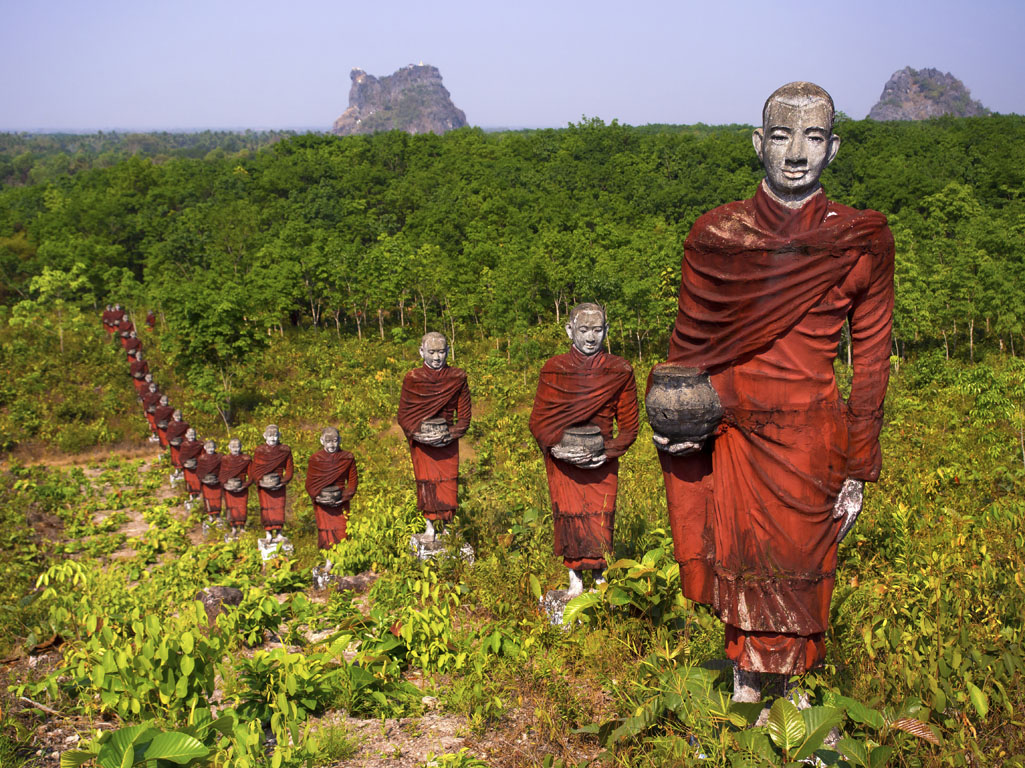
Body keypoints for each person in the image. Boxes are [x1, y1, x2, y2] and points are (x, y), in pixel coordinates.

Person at [650, 82, 894, 701]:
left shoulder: (861, 239)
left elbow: (870, 364)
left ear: (833, 148)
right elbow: (689, 350)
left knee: (800, 570)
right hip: (727, 430)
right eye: (781, 135)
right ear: (758, 142)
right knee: (736, 560)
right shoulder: (716, 236)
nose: (795, 152)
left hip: (811, 437)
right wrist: (673, 423)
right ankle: (744, 690)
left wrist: (859, 465)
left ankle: (795, 703)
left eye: (812, 136)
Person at [529, 303, 639, 596]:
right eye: (583, 330)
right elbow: (538, 422)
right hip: (565, 459)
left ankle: (602, 581)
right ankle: (574, 580)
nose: (591, 338)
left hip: (601, 459)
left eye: (598, 330)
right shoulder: (554, 369)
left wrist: (608, 452)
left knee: (601, 517)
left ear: (607, 330)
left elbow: (629, 427)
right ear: (569, 330)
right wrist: (556, 449)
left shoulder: (620, 370)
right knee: (568, 515)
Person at [397, 332, 472, 541]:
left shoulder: (457, 378)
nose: (437, 357)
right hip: (423, 443)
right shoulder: (413, 378)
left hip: (447, 441)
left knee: (448, 484)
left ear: (448, 351)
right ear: (421, 352)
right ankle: (429, 527)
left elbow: (464, 417)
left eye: (441, 352)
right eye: (432, 352)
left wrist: (451, 434)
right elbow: (403, 416)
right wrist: (418, 435)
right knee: (426, 483)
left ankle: (448, 527)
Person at [305, 427, 358, 550]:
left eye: (334, 441)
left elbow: (352, 481)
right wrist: (318, 498)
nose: (332, 445)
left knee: (342, 531)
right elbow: (310, 484)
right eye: (328, 441)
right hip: (322, 502)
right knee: (325, 532)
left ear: (340, 440)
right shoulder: (315, 459)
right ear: (321, 441)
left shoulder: (347, 457)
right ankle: (329, 562)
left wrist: (344, 497)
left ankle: (342, 560)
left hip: (340, 501)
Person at [249, 425, 295, 540]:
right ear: (265, 436)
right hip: (264, 484)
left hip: (278, 483)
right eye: (270, 436)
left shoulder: (285, 450)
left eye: (275, 436)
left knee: (279, 507)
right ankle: (268, 533)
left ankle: (279, 533)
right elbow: (255, 469)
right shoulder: (260, 450)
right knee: (266, 508)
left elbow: (289, 468)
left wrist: (284, 480)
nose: (273, 439)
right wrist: (260, 481)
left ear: (279, 436)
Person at [219, 438, 252, 535]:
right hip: (229, 488)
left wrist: (245, 485)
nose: (235, 449)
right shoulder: (225, 459)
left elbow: (251, 475)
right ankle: (233, 528)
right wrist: (225, 484)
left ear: (241, 447)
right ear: (229, 447)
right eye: (233, 447)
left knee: (242, 508)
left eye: (237, 447)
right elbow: (222, 474)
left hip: (241, 487)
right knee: (231, 507)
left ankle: (242, 528)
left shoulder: (246, 459)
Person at [196, 440, 223, 519]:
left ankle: (218, 516)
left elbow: (222, 469)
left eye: (212, 447)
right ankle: (210, 516)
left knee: (217, 498)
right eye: (209, 448)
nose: (211, 449)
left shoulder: (219, 457)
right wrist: (202, 479)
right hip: (206, 482)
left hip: (216, 481)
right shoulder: (202, 458)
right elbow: (199, 471)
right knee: (208, 498)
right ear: (205, 448)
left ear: (215, 447)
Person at [179, 428, 204, 508]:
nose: (191, 436)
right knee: (190, 482)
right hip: (188, 467)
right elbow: (182, 456)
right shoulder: (184, 445)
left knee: (197, 482)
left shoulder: (199, 444)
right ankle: (191, 497)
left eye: (193, 435)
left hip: (197, 466)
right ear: (186, 435)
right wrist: (184, 463)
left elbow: (202, 455)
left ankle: (198, 497)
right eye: (190, 435)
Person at [165, 410, 190, 477]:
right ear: (173, 416)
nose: (178, 417)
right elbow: (168, 434)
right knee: (175, 457)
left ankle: (183, 471)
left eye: (179, 416)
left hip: (183, 444)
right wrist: (171, 440)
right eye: (176, 416)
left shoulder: (185, 424)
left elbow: (187, 434)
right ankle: (177, 471)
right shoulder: (171, 424)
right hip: (174, 444)